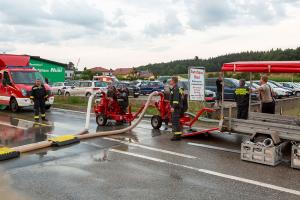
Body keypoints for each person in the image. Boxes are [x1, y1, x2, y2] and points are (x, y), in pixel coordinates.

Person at [169, 76, 182, 141]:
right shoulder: (174, 88)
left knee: (175, 121)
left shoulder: (176, 88)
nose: (170, 81)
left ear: (173, 81)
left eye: (171, 80)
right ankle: (177, 135)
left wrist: (173, 107)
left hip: (176, 108)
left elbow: (176, 100)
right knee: (175, 121)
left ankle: (176, 136)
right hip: (176, 107)